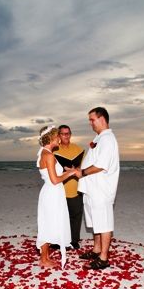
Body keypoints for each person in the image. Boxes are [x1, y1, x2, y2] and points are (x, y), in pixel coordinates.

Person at [76, 107, 119, 270]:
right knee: (95, 222)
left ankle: (103, 258)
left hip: (101, 189)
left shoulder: (108, 139)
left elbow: (101, 165)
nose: (90, 123)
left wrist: (82, 172)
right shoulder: (99, 138)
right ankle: (96, 249)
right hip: (92, 189)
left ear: (102, 119)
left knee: (104, 223)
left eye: (92, 120)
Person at [36, 125, 76, 268]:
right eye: (58, 135)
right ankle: (43, 259)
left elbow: (53, 176)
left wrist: (66, 171)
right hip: (52, 193)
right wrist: (71, 173)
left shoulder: (43, 153)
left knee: (47, 223)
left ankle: (44, 257)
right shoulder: (49, 155)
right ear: (53, 137)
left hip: (50, 192)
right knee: (48, 224)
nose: (60, 138)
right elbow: (55, 180)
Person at [53, 125, 85, 249]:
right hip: (60, 189)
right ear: (59, 135)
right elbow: (51, 170)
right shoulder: (54, 150)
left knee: (75, 216)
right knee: (59, 216)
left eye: (68, 133)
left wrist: (76, 169)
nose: (66, 136)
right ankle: (58, 240)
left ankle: (74, 240)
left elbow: (84, 169)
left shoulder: (78, 149)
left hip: (75, 188)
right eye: (63, 134)